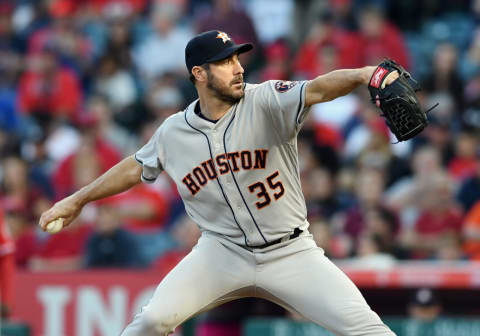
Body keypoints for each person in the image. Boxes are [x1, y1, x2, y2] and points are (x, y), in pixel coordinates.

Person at [39, 30, 397, 335]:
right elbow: (136, 166)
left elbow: (318, 89)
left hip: (290, 250)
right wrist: (78, 200)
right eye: (225, 62)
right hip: (221, 253)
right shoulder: (174, 131)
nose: (238, 68)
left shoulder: (266, 99)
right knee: (150, 322)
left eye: (237, 59)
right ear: (199, 73)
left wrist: (365, 73)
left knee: (369, 329)